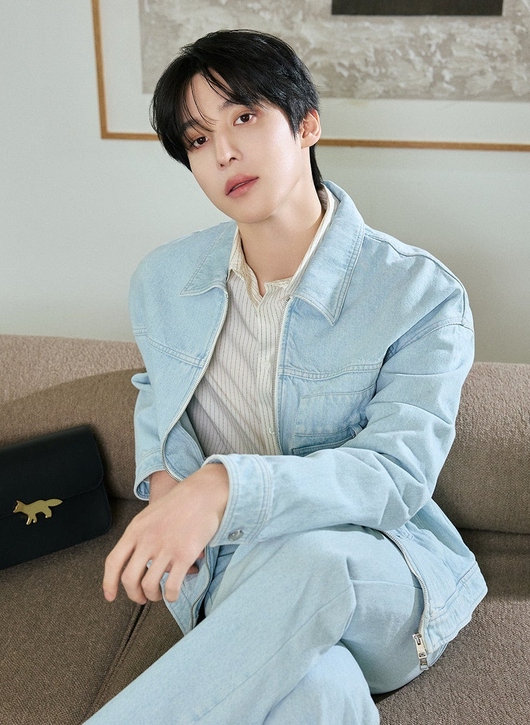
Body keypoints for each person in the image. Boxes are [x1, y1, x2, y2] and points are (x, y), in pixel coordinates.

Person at [85, 29, 487, 724]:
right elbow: (159, 396)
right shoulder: (164, 281)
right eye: (198, 139)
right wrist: (168, 485)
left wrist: (222, 488)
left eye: (244, 117)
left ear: (307, 124)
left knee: (315, 560)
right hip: (235, 575)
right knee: (318, 691)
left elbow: (394, 474)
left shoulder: (419, 293)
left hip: (377, 573)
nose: (223, 152)